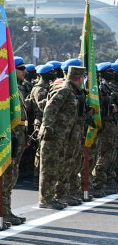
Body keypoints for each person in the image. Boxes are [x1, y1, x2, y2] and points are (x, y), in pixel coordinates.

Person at [37, 64, 86, 208]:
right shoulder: (64, 90)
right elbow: (50, 109)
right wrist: (47, 129)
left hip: (63, 136)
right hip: (53, 135)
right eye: (83, 77)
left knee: (62, 165)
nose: (84, 80)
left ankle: (60, 194)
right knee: (50, 167)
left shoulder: (73, 91)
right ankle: (46, 199)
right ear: (78, 78)